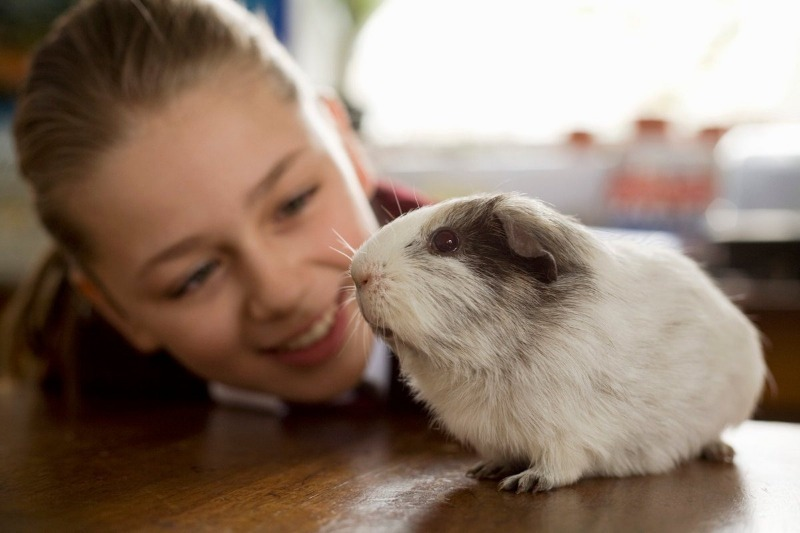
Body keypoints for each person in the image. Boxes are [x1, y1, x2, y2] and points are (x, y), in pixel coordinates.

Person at [0, 0, 424, 409]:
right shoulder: (83, 391)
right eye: (195, 276)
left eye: (293, 204)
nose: (280, 293)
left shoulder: (486, 289)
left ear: (347, 144)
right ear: (119, 312)